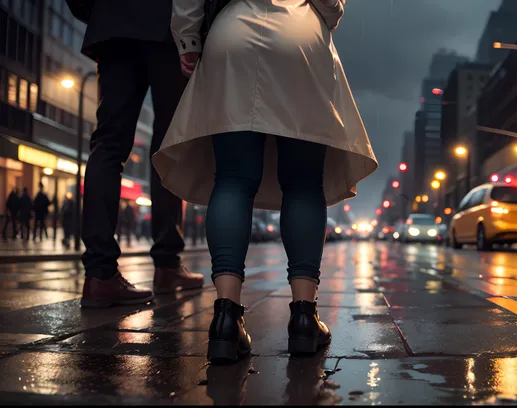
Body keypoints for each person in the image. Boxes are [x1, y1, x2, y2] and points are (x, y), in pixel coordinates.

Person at [153, 0, 377, 362]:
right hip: (300, 37)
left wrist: (189, 40)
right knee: (303, 182)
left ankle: (226, 316)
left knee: (232, 178)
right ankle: (304, 316)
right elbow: (331, 7)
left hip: (233, 33)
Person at [77, 0, 204, 308]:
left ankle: (100, 273)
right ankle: (166, 264)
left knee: (108, 143)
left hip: (113, 25)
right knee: (167, 146)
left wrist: (98, 12)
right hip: (166, 25)